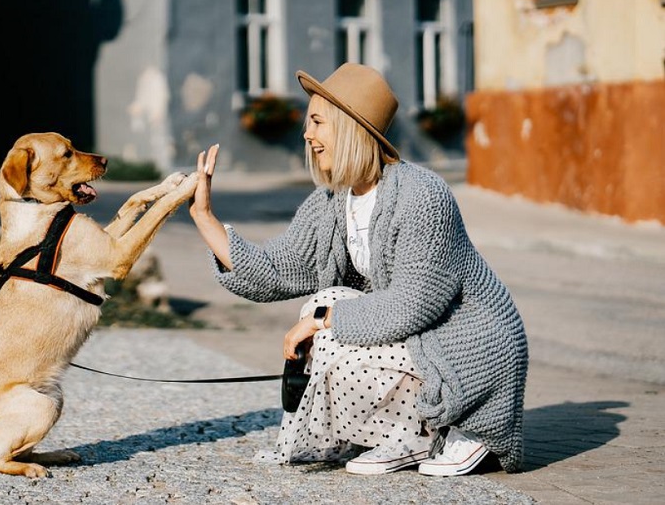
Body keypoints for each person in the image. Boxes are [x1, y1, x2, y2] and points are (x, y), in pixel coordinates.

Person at [188, 63, 528, 476]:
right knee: (325, 304)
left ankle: (448, 428)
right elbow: (278, 269)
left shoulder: (423, 196)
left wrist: (321, 322)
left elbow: (412, 305)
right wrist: (205, 218)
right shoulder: (333, 201)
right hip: (419, 341)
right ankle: (403, 435)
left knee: (327, 319)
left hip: (469, 348)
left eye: (317, 122)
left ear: (349, 127)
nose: (306, 134)